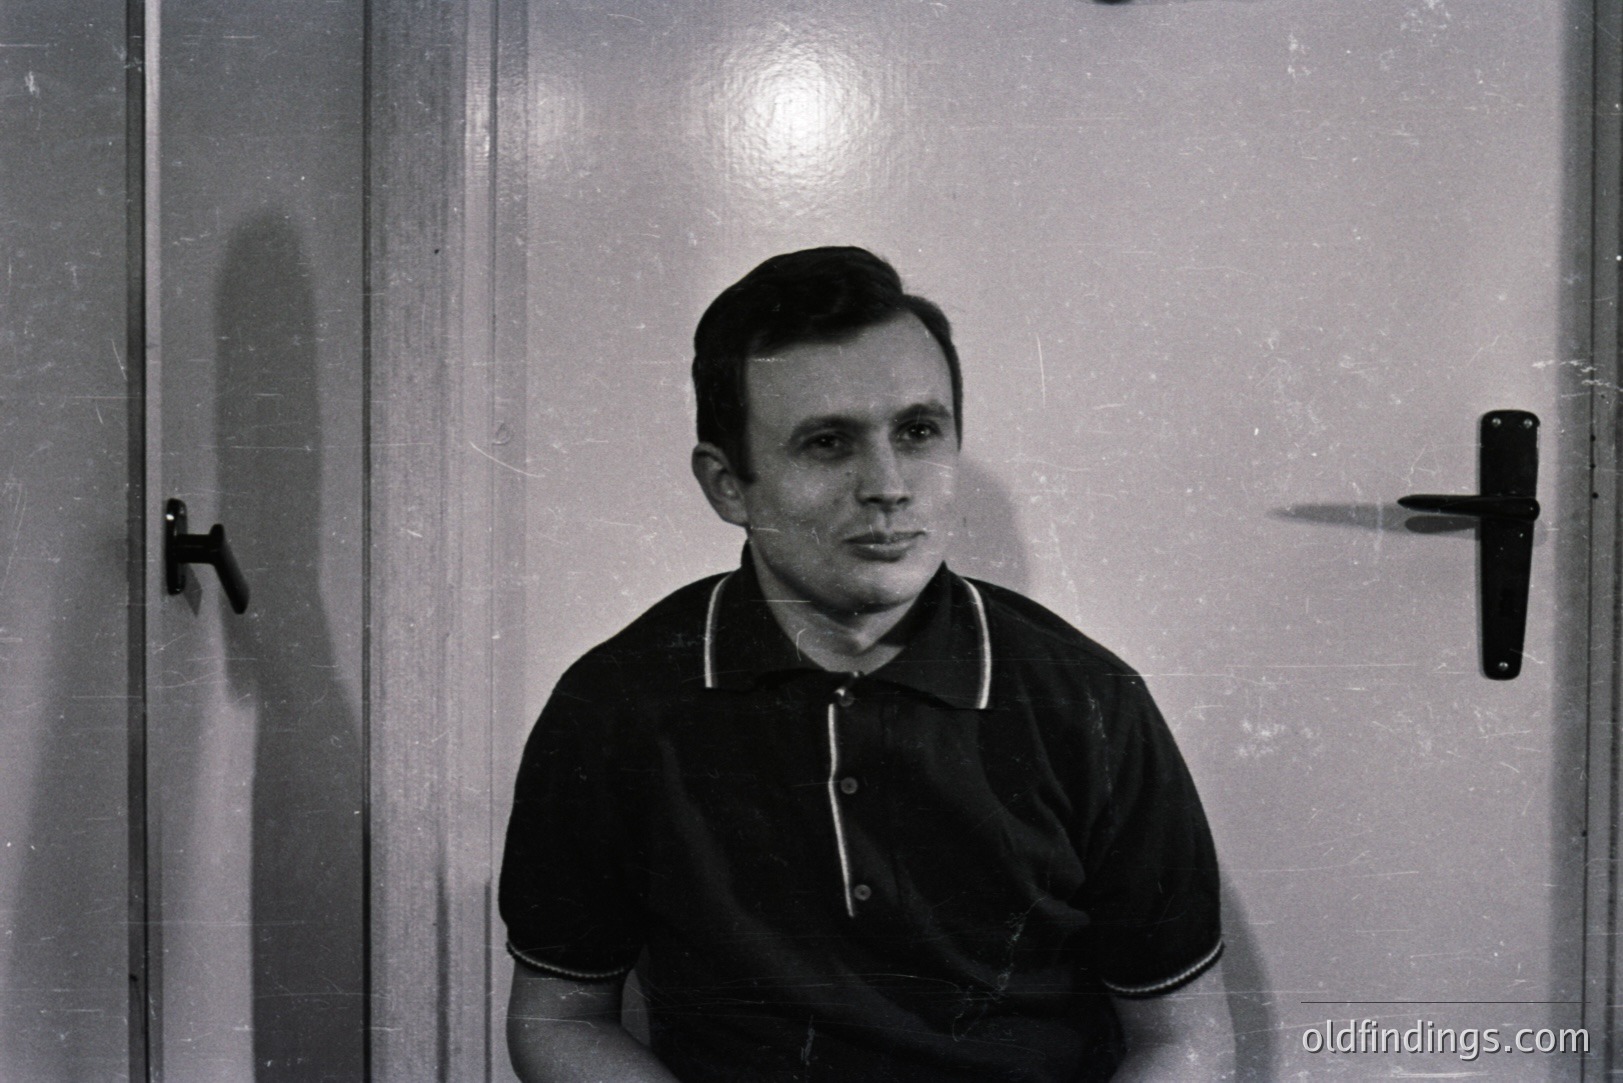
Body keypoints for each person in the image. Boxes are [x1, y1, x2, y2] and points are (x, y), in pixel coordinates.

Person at [500, 247, 1234, 1082]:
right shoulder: (614, 704)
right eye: (826, 443)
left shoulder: (1090, 700)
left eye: (918, 431)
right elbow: (559, 1019)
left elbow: (1184, 1037)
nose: (887, 485)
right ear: (727, 485)